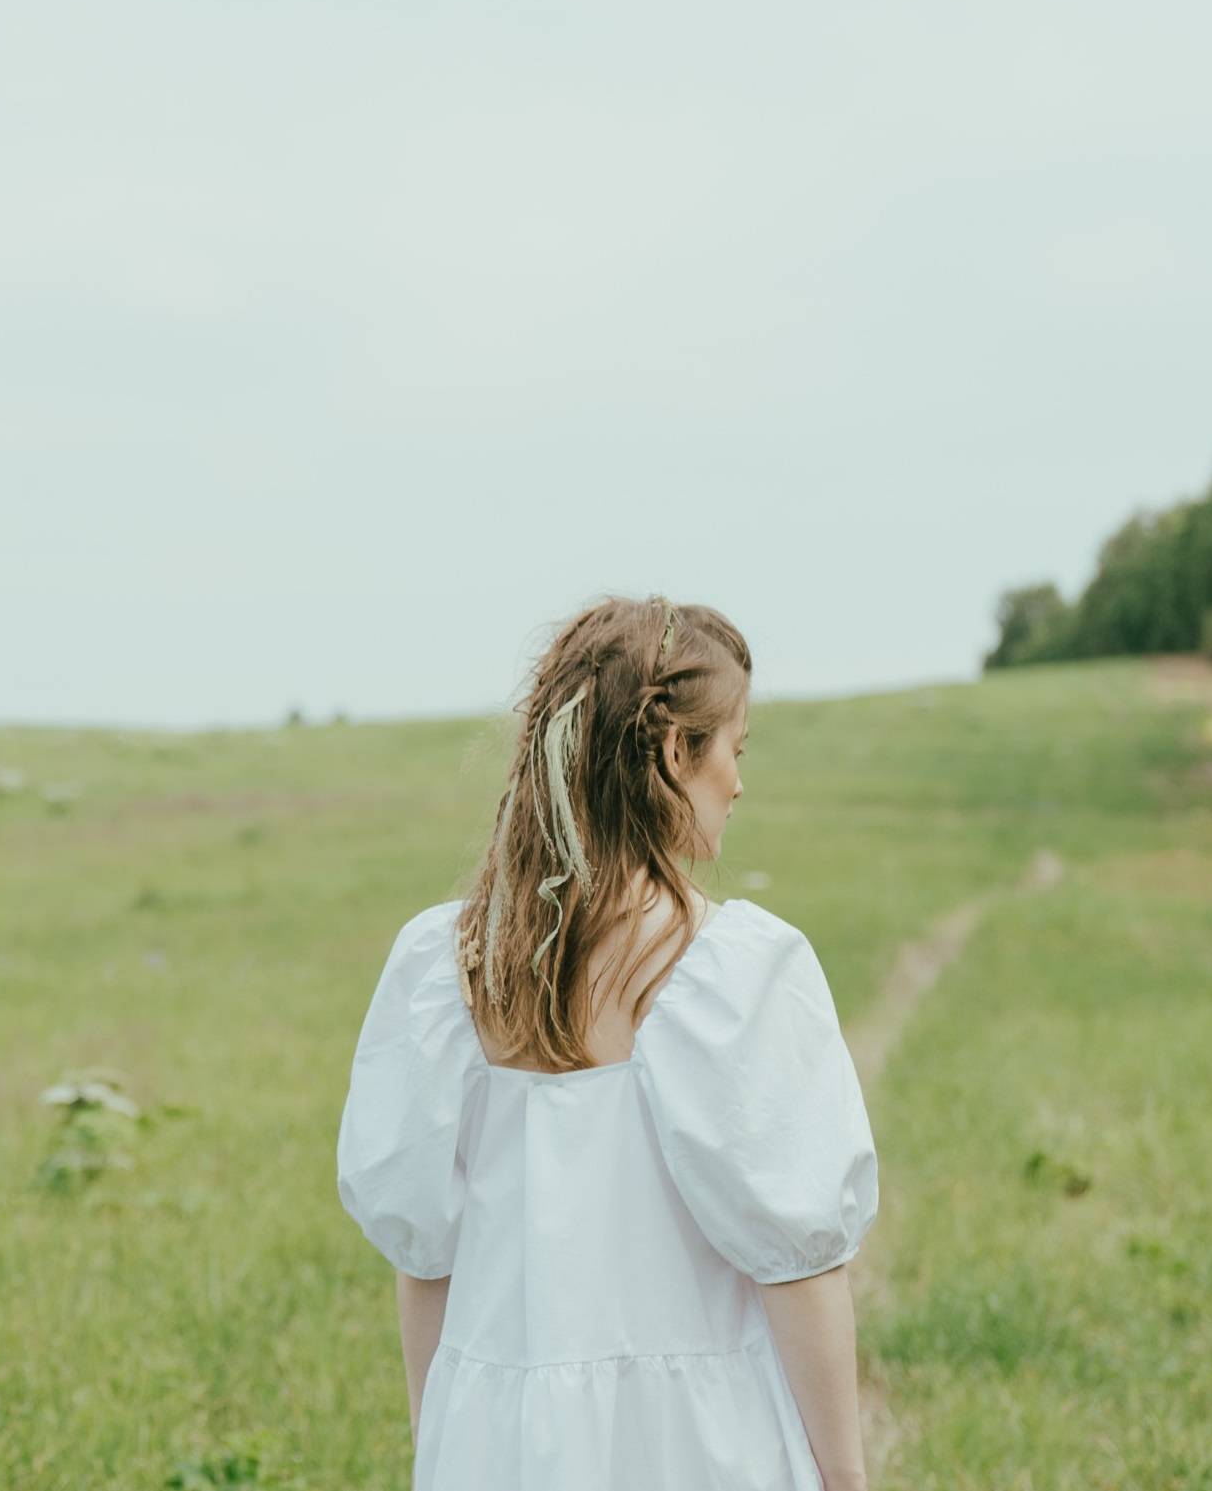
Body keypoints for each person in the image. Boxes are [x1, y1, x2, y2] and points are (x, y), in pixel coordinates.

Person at [335, 593, 878, 1490]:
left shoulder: (444, 968)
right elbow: (800, 1269)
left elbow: (421, 1252)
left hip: (496, 1443)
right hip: (693, 1445)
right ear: (674, 752)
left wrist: (440, 1438)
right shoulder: (735, 974)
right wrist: (847, 1478)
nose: (738, 783)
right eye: (731, 751)